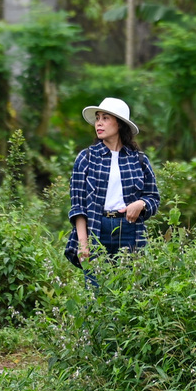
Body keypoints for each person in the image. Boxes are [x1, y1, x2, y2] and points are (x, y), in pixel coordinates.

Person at [67, 96, 160, 267]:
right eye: (97, 118)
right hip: (96, 229)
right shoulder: (86, 158)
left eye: (105, 118)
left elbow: (153, 198)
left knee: (129, 289)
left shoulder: (138, 160)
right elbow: (78, 206)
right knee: (95, 289)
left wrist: (140, 204)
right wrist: (83, 242)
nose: (99, 123)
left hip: (129, 230)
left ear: (119, 124)